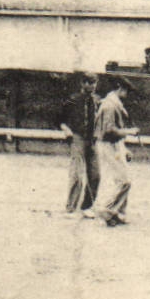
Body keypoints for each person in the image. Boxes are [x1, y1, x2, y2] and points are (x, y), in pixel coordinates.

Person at [92, 76, 139, 227]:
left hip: (113, 145)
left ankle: (118, 213)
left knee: (123, 179)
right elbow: (109, 130)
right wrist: (129, 132)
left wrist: (123, 148)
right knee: (124, 180)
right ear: (119, 88)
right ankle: (107, 210)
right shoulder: (110, 105)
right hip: (107, 145)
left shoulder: (112, 104)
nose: (127, 93)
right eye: (125, 90)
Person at [58, 73, 100, 215]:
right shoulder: (73, 100)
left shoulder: (97, 101)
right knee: (77, 174)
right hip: (78, 138)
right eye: (89, 82)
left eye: (94, 83)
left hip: (93, 140)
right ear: (82, 83)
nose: (92, 86)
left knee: (95, 175)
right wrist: (67, 130)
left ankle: (87, 207)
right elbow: (60, 120)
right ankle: (70, 208)